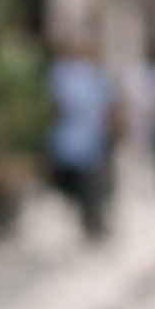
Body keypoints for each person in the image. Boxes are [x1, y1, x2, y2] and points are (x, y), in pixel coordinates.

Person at [45, 35, 118, 240]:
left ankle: (91, 224)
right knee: (87, 187)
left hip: (83, 141)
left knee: (89, 188)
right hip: (78, 142)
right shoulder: (66, 73)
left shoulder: (73, 73)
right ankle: (91, 224)